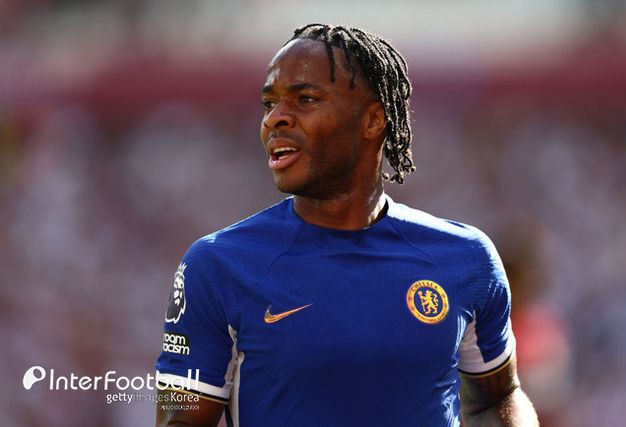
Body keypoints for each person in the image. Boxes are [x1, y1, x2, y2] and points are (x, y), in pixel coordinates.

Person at [155, 23, 538, 427]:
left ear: (373, 120)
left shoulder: (465, 257)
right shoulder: (218, 266)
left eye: (305, 99)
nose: (275, 119)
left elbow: (498, 397)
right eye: (269, 104)